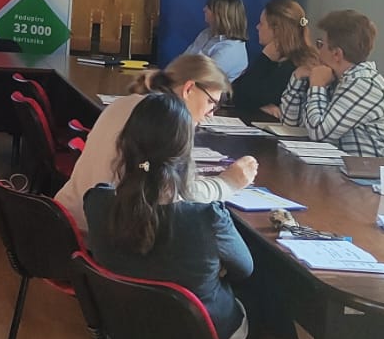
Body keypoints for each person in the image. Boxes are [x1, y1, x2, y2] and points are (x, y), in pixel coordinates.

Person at [82, 93, 286, 339]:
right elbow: (245, 269)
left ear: (126, 143)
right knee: (263, 296)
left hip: (127, 338)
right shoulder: (205, 217)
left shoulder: (98, 202)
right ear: (184, 152)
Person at [56, 54, 259, 231]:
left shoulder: (124, 103)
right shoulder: (168, 124)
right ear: (189, 89)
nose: (211, 114)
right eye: (211, 103)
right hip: (99, 238)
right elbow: (180, 199)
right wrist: (228, 182)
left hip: (66, 221)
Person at [274, 9, 384, 159]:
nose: (317, 50)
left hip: (382, 171)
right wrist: (297, 78)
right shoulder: (334, 78)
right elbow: (291, 126)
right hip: (351, 167)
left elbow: (318, 132)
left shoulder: (364, 84)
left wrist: (317, 87)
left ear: (337, 54)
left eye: (320, 44)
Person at [229, 0, 310, 118]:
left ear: (277, 31)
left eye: (262, 24)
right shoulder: (275, 59)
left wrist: (264, 59)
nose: (257, 27)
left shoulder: (292, 66)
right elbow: (234, 91)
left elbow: (243, 96)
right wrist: (259, 106)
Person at [181, 0, 250, 81]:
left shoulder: (229, 50)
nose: (204, 9)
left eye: (208, 7)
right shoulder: (206, 33)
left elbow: (201, 79)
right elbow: (183, 60)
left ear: (220, 14)